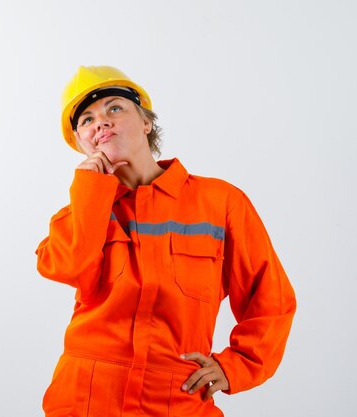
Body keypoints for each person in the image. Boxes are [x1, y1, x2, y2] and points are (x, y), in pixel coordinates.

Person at [35, 66, 296, 417]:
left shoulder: (220, 202)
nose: (101, 123)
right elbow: (69, 268)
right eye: (86, 120)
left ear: (146, 123)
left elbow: (271, 299)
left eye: (115, 108)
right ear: (81, 143)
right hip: (84, 398)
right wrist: (90, 190)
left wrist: (237, 366)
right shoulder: (79, 212)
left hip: (179, 398)